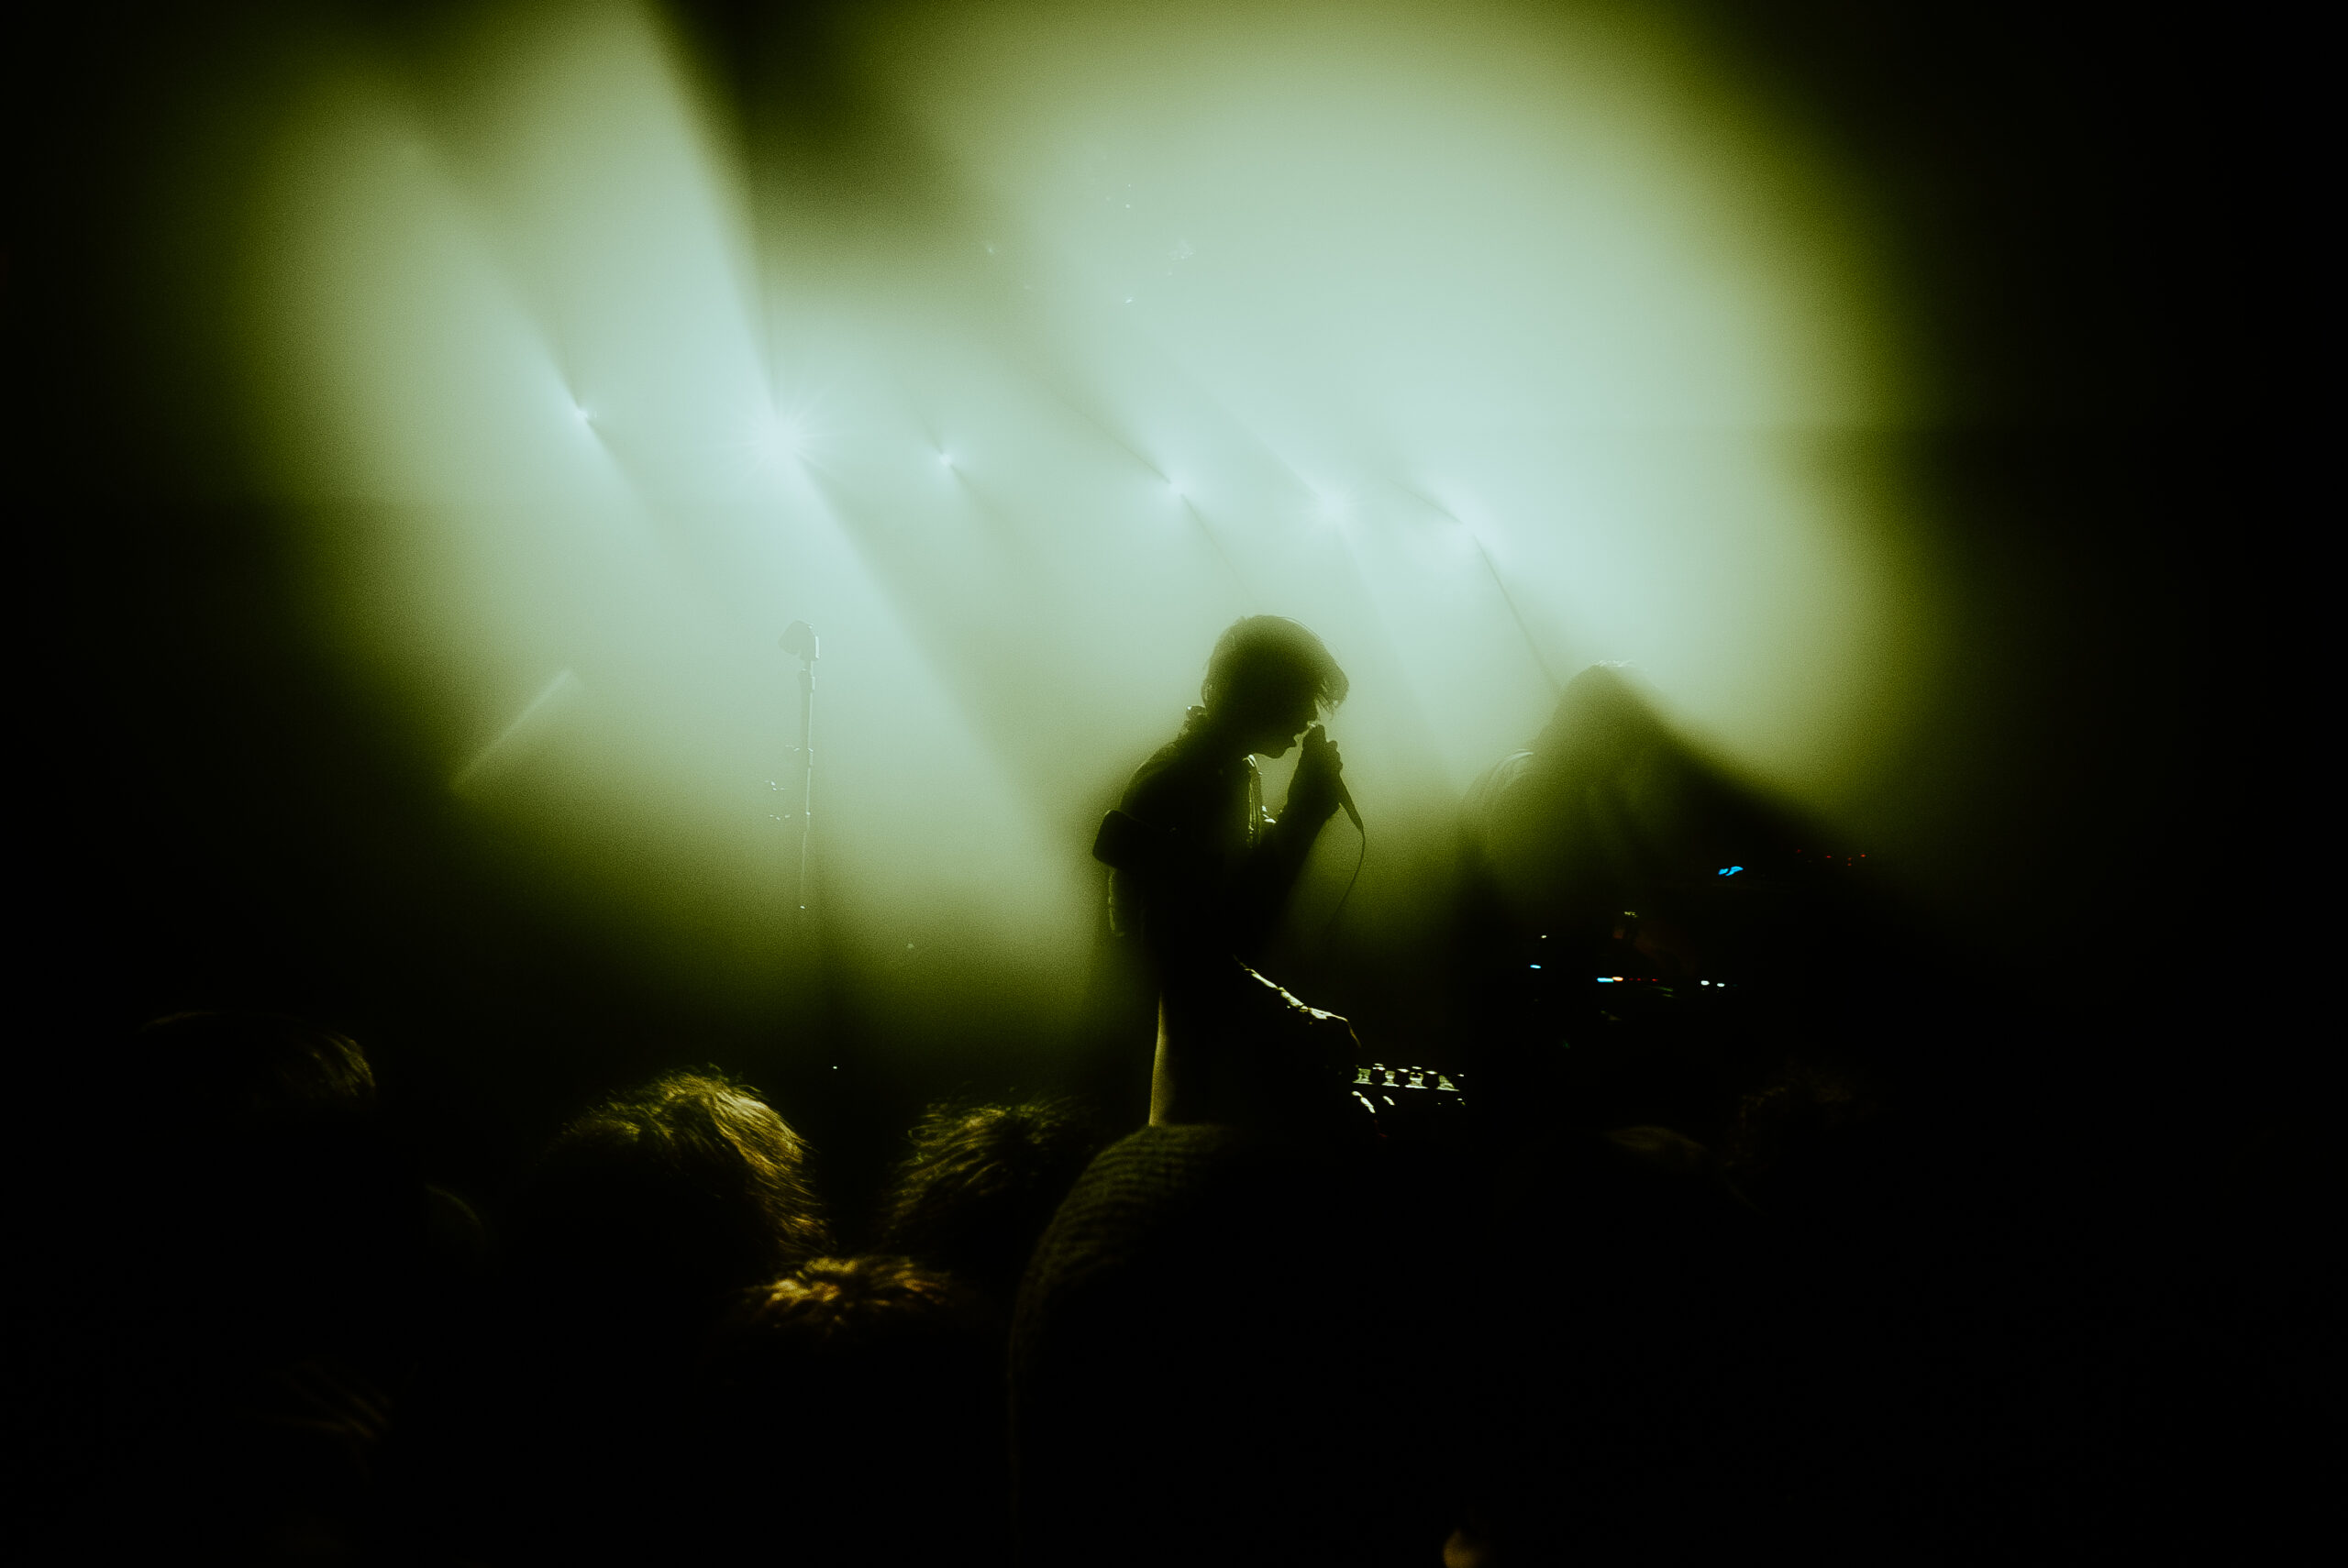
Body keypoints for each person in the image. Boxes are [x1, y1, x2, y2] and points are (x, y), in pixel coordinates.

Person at [1092, 616, 1357, 1125]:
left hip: (1217, 1062)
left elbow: (1241, 908)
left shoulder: (1233, 773)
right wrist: (1296, 1013)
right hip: (1185, 1076)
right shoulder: (1178, 782)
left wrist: (1303, 813)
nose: (1308, 716)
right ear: (1259, 692)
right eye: (1301, 696)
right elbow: (1183, 956)